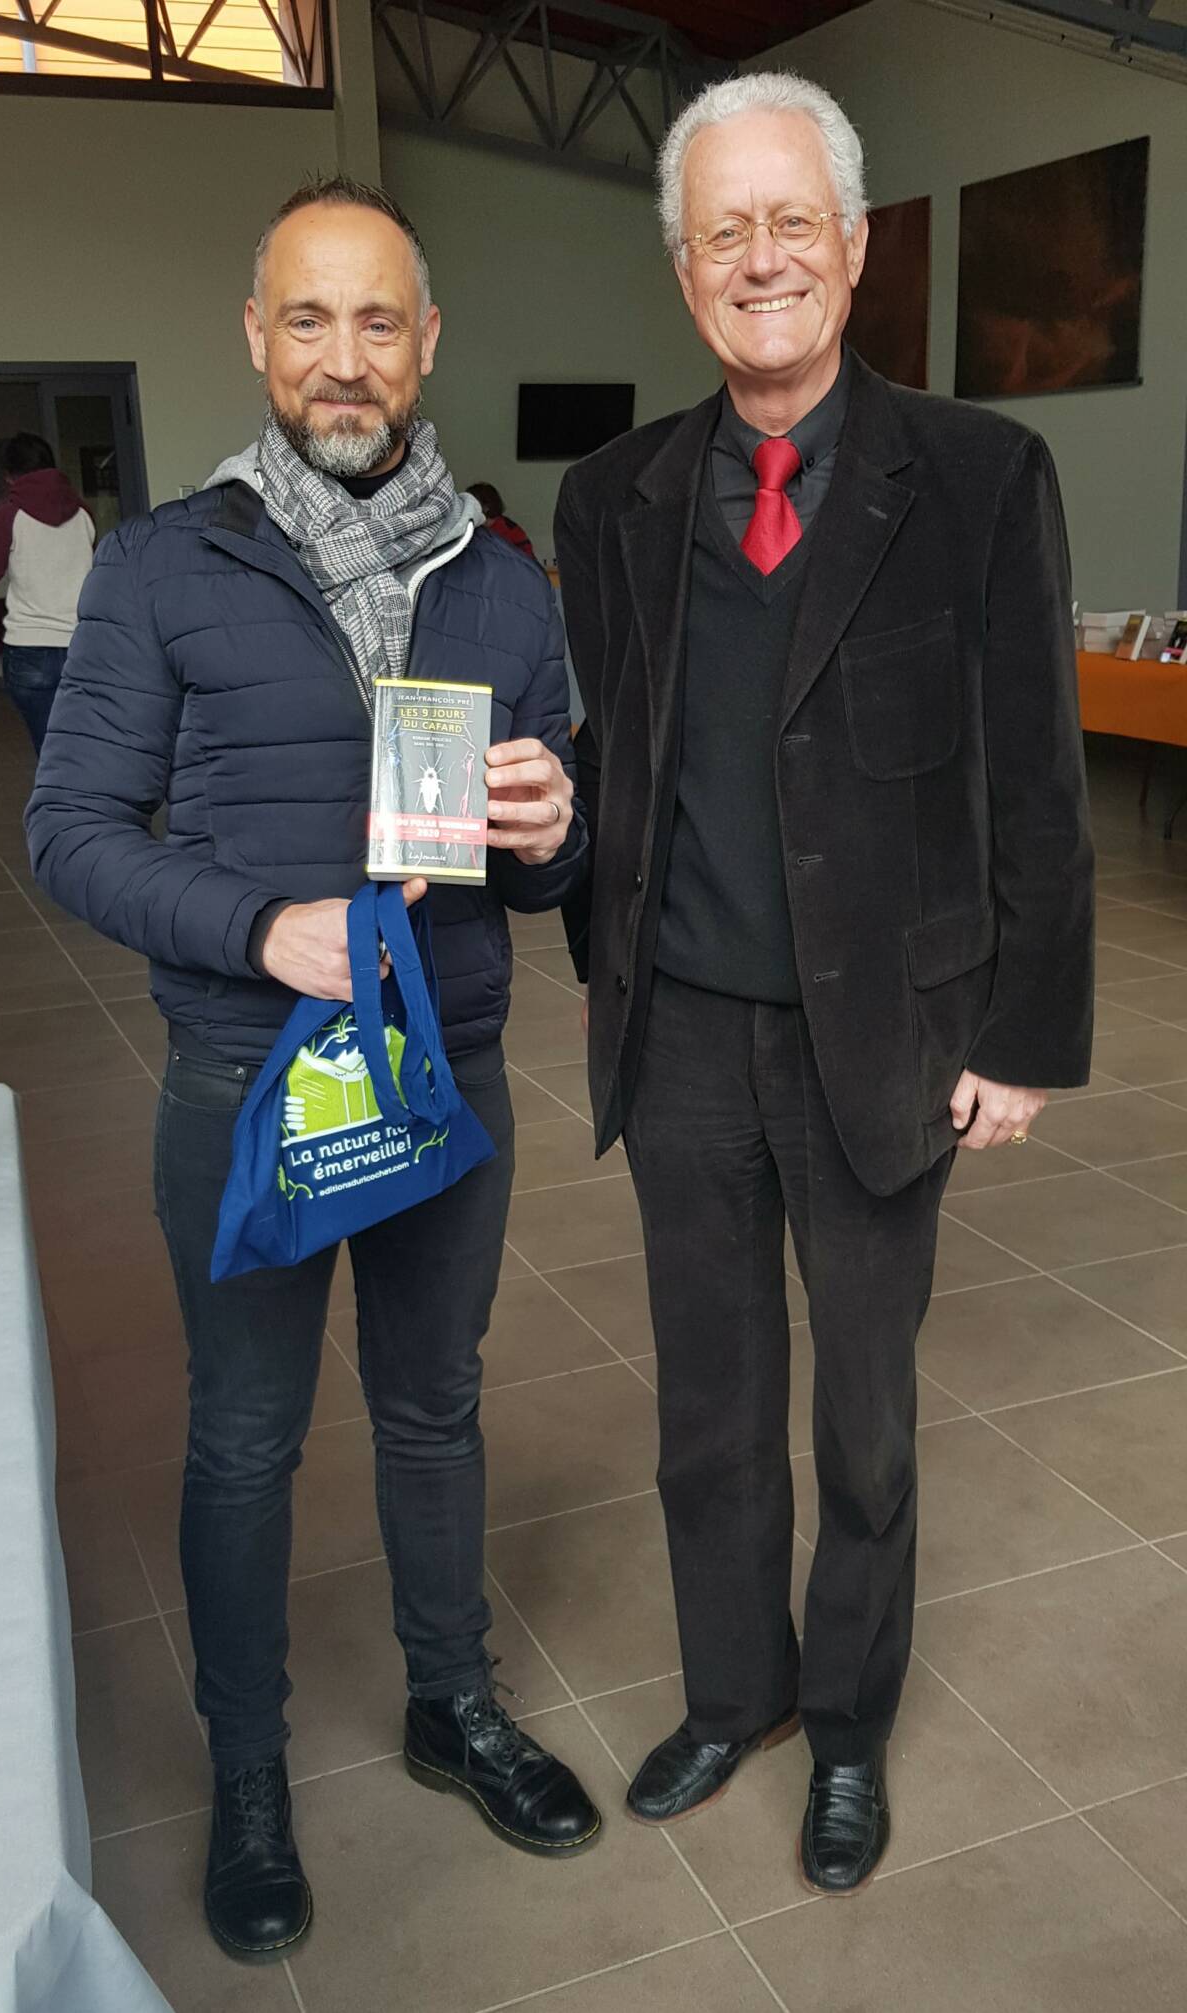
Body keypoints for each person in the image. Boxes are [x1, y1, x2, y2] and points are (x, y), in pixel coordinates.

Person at [27, 174, 600, 1965]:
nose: (342, 360)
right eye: (307, 319)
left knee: (435, 1402)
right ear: (255, 339)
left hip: (450, 1072)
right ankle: (253, 1773)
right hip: (243, 1076)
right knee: (248, 1439)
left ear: (426, 344)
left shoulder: (505, 585)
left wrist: (561, 818)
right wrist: (251, 926)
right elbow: (69, 830)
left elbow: (562, 851)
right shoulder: (159, 564)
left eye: (377, 322)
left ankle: (452, 1701)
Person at [555, 71, 1092, 1896]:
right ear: (685, 271)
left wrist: (1024, 1032)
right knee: (708, 1401)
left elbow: (1038, 776)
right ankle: (736, 1691)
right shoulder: (612, 496)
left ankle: (847, 1724)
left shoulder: (979, 477)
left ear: (854, 249)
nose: (761, 257)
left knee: (863, 1402)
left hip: (889, 1037)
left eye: (796, 221)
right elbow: (614, 765)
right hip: (687, 1030)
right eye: (725, 230)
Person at [0, 432, 94, 754]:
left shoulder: (10, 515)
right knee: (88, 740)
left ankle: (62, 803)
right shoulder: (83, 513)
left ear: (10, 475)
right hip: (83, 644)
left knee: (50, 749)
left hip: (30, 647)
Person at [468, 481, 538, 560]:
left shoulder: (508, 531)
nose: (467, 509)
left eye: (471, 504)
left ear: (486, 507)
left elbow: (527, 562)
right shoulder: (471, 530)